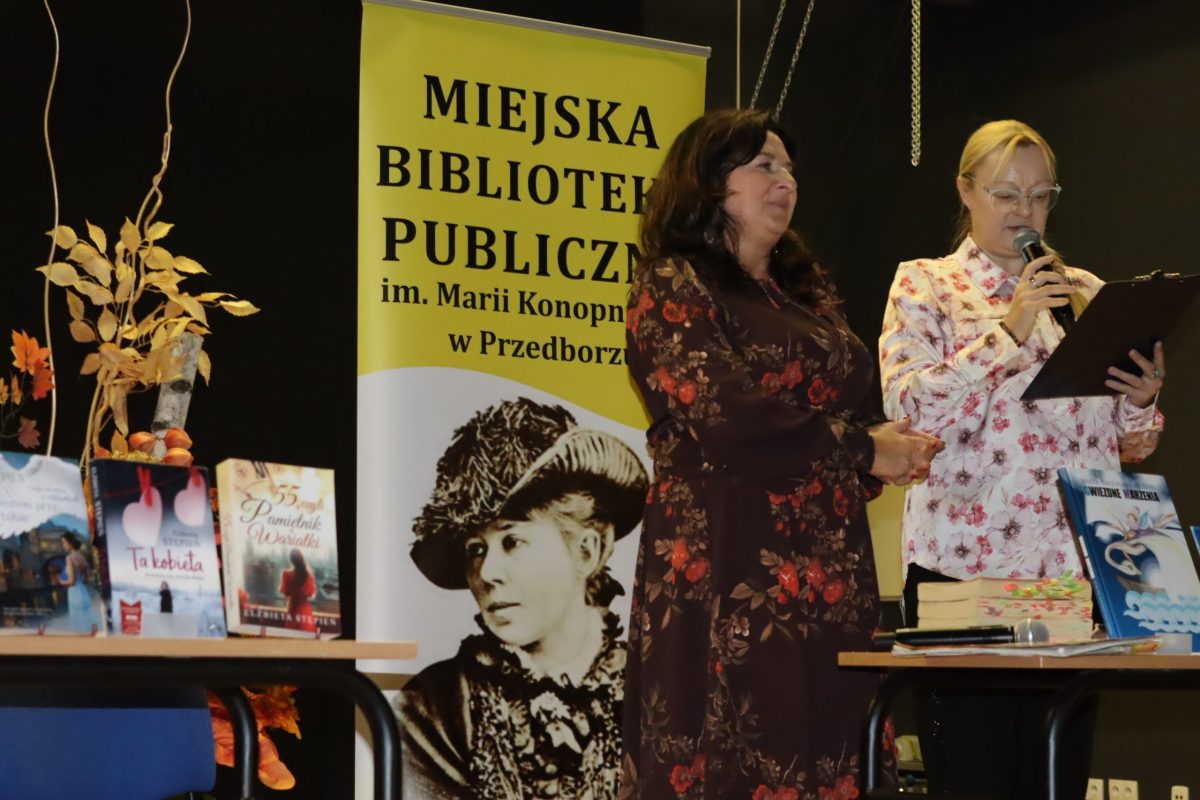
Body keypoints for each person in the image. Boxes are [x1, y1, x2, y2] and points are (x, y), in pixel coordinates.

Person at [620, 108, 942, 799]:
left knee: (832, 735)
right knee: (738, 743)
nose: (786, 181)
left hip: (829, 564)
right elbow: (726, 412)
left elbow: (847, 403)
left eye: (790, 168)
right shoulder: (672, 284)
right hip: (728, 557)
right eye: (764, 165)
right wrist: (863, 448)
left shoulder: (803, 294)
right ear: (708, 182)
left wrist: (890, 444)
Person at [878, 119, 1166, 799]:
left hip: (1069, 580)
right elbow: (909, 409)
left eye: (1040, 196)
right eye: (1006, 195)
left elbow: (1131, 445)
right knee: (975, 778)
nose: (1024, 212)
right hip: (964, 578)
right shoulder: (927, 285)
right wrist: (1009, 328)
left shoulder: (1086, 290)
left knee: (1054, 780)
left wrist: (1142, 399)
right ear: (966, 191)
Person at [397, 397, 649, 800]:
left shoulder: (655, 693)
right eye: (475, 549)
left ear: (587, 550)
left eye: (512, 541)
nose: (486, 573)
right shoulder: (433, 708)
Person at [58, 533, 95, 633]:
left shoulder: (69, 558)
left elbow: (71, 581)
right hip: (84, 592)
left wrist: (61, 581)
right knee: (86, 622)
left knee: (78, 624)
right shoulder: (82, 557)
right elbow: (88, 579)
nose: (63, 545)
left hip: (74, 592)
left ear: (70, 543)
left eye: (64, 542)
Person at [279, 548, 317, 632]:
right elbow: (311, 594)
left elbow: (286, 593)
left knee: (292, 634)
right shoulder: (308, 576)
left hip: (293, 609)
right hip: (305, 611)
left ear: (291, 560)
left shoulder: (286, 575)